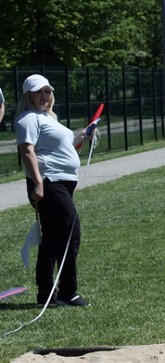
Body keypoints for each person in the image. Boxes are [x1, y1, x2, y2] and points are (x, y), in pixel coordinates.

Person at [14, 74, 91, 307]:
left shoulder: (48, 118)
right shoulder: (27, 119)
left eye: (47, 91)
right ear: (29, 96)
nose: (45, 96)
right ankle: (68, 292)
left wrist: (82, 138)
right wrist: (38, 183)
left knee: (53, 238)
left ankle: (46, 294)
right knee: (71, 232)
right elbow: (27, 152)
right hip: (48, 182)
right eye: (39, 92)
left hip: (62, 182)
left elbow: (63, 148)